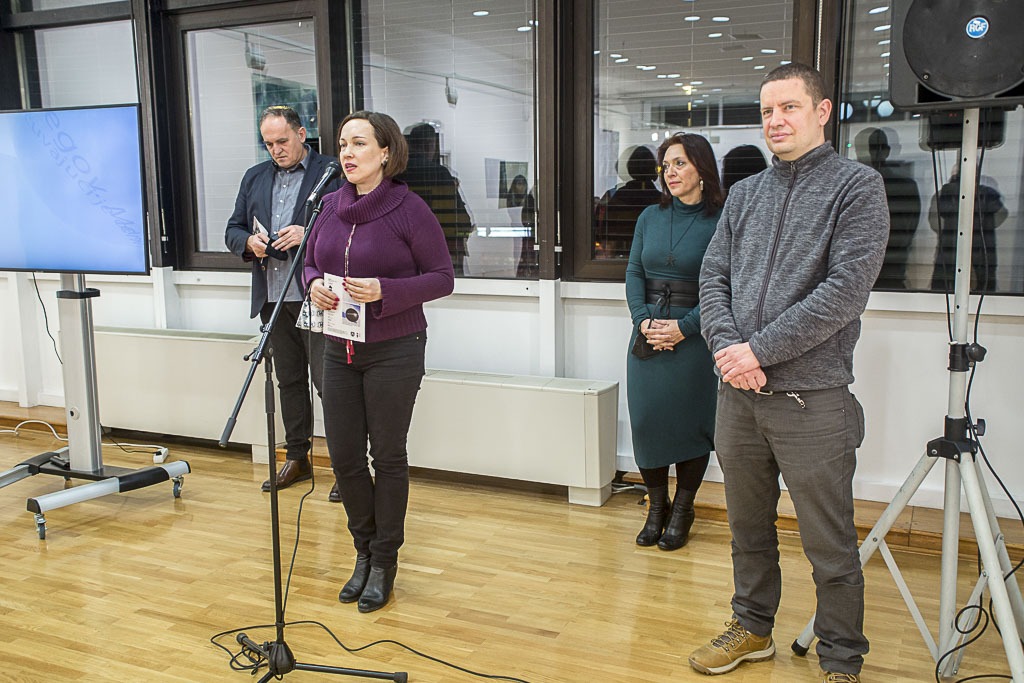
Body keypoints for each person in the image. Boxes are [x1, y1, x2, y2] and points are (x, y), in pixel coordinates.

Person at [692, 63, 889, 683]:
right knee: (747, 528)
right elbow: (712, 278)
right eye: (766, 111)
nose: (775, 121)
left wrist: (759, 351)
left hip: (813, 400)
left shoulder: (857, 188)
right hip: (738, 396)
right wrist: (730, 350)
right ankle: (752, 628)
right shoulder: (746, 194)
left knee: (829, 543)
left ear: (822, 111)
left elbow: (845, 291)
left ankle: (841, 658)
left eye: (789, 107)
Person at [304, 110, 455, 613]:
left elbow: (442, 277)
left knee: (387, 456)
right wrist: (314, 285)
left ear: (386, 152)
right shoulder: (328, 205)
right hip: (337, 346)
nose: (347, 153)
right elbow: (309, 262)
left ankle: (385, 559)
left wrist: (386, 290)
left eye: (360, 143)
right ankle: (363, 550)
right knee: (344, 457)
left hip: (395, 348)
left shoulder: (409, 208)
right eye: (343, 144)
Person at [224, 105, 343, 502]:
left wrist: (308, 230)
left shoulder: (331, 172)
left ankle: (346, 466)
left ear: (301, 134)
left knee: (330, 385)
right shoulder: (254, 177)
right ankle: (297, 457)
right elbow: (233, 228)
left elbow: (349, 224)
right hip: (274, 297)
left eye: (282, 141)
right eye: (268, 143)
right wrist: (248, 242)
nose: (276, 150)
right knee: (289, 382)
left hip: (317, 296)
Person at [625, 132, 724, 551]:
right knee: (647, 422)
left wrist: (685, 327)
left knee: (691, 425)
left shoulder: (722, 220)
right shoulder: (649, 216)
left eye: (680, 163)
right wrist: (642, 321)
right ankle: (656, 507)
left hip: (695, 337)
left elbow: (727, 286)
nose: (671, 172)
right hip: (647, 334)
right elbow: (634, 272)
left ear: (702, 168)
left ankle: (683, 509)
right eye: (666, 165)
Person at [398, 122, 473, 275]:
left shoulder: (396, 173)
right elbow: (461, 219)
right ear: (429, 145)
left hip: (403, 250)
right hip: (440, 247)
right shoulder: (439, 173)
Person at [853, 127, 922, 290]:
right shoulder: (851, 186)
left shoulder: (905, 187)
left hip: (891, 275)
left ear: (887, 151)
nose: (873, 154)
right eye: (871, 149)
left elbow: (907, 233)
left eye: (878, 148)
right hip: (856, 278)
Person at [929, 167, 1006, 293]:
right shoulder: (946, 193)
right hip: (958, 249)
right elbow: (934, 222)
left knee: (982, 289)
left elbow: (934, 223)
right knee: (942, 289)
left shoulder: (986, 194)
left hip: (971, 250)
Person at [594, 145, 662, 258]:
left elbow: (601, 232)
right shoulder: (662, 201)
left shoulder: (613, 197)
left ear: (629, 167)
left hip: (617, 259)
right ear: (653, 168)